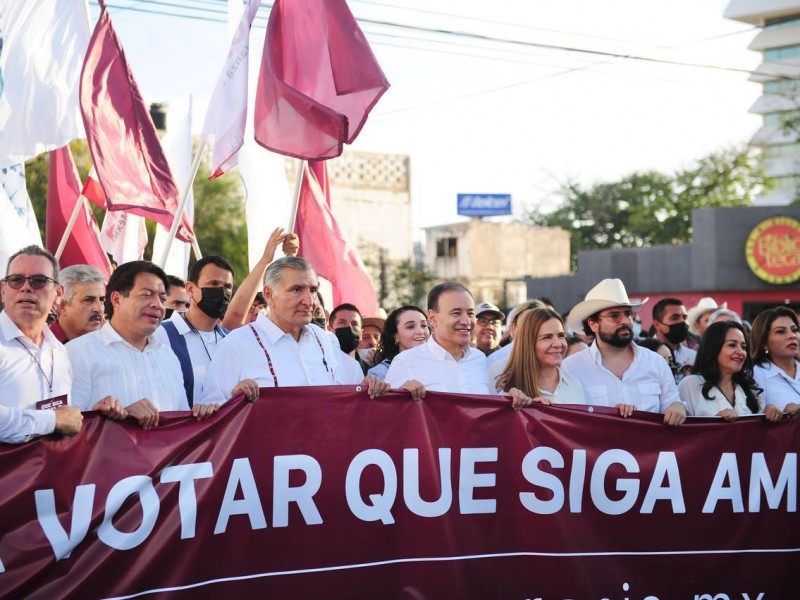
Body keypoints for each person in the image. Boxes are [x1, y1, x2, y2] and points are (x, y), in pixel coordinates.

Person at [197, 257, 388, 405]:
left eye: (313, 290)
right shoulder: (236, 345)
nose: (309, 300)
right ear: (269, 294)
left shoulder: (325, 340)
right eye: (297, 290)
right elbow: (212, 412)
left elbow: (349, 391)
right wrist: (235, 400)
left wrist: (368, 386)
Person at [68, 261, 216, 429]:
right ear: (117, 300)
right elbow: (66, 429)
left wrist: (198, 415)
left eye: (162, 298)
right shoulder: (78, 353)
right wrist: (113, 419)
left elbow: (178, 426)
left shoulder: (168, 356)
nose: (157, 305)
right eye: (146, 295)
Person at [562, 278, 687, 426]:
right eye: (614, 316)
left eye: (628, 314)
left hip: (650, 448)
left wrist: (678, 407)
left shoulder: (656, 362)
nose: (625, 321)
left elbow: (672, 403)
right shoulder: (571, 367)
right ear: (593, 324)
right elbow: (566, 420)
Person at [0, 246, 85, 442]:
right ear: (3, 291)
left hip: (50, 469)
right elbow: (58, 419)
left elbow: (67, 415)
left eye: (38, 281)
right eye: (16, 280)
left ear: (58, 293)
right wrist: (51, 420)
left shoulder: (59, 351)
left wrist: (98, 411)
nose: (26, 287)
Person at [384, 282, 504, 400]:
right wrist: (401, 397)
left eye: (470, 313)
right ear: (432, 318)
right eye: (456, 313)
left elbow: (490, 406)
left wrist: (509, 397)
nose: (466, 321)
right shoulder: (406, 362)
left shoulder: (479, 359)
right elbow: (390, 413)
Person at [153, 256, 235, 407]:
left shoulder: (232, 341)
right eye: (214, 283)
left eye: (227, 286)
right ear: (190, 289)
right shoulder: (160, 335)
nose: (222, 291)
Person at [496, 308, 585, 406]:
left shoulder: (575, 383)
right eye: (547, 337)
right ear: (528, 343)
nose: (558, 344)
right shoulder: (509, 392)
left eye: (561, 335)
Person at [678, 321, 765, 421]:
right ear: (713, 348)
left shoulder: (751, 388)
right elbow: (682, 433)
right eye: (732, 345)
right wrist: (715, 425)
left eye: (744, 347)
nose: (741, 352)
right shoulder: (690, 385)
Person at [220, 227, 299, 330]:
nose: (257, 312)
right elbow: (236, 314)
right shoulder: (233, 339)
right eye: (250, 309)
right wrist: (266, 259)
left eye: (262, 307)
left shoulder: (277, 339)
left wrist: (290, 258)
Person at [750, 306, 800, 419]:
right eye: (781, 331)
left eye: (795, 330)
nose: (792, 335)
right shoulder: (756, 374)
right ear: (764, 343)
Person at [368, 306, 430, 380]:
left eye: (424, 325)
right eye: (410, 327)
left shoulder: (442, 363)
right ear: (395, 336)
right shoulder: (380, 373)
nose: (420, 331)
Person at [49, 264, 106, 343]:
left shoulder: (109, 345)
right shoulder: (42, 347)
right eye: (88, 300)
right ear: (62, 307)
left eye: (102, 300)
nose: (99, 308)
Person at [651, 297, 696, 376]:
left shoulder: (695, 358)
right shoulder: (643, 355)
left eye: (685, 317)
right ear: (657, 324)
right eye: (675, 318)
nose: (682, 321)